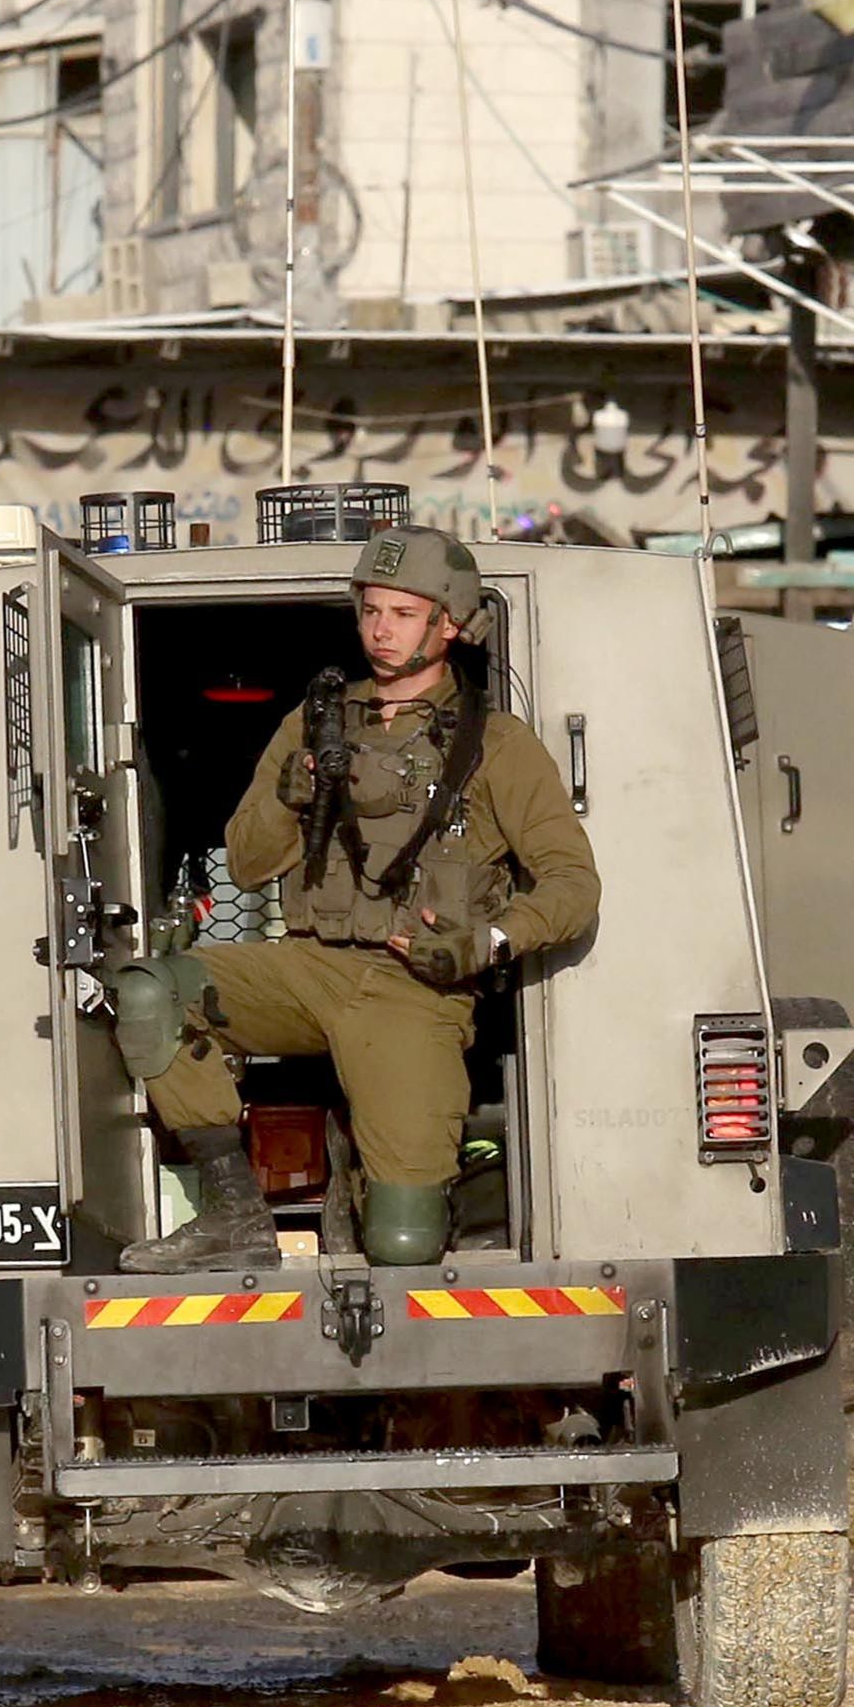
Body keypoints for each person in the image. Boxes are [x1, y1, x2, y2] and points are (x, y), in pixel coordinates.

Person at [107, 521, 598, 1271]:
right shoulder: (311, 725)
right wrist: (290, 793)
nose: (379, 630)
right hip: (307, 969)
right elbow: (244, 864)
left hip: (413, 991)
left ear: (451, 623)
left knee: (404, 1243)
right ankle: (233, 1216)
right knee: (153, 991)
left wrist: (485, 941)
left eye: (403, 614)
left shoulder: (498, 746)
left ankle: (375, 1191)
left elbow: (571, 886)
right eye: (370, 610)